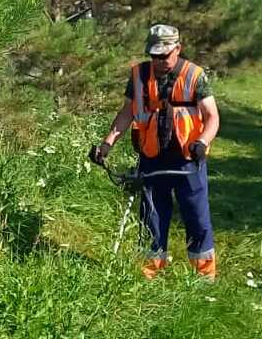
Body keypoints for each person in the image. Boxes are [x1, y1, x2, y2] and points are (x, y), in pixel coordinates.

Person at [91, 24, 220, 280]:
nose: (159, 61)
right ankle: (149, 274)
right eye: (154, 55)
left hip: (188, 160)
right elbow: (127, 112)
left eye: (164, 55)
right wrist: (106, 144)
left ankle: (204, 278)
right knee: (151, 218)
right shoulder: (139, 75)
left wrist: (203, 142)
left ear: (178, 49)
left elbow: (212, 116)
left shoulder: (195, 75)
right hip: (152, 158)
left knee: (197, 218)